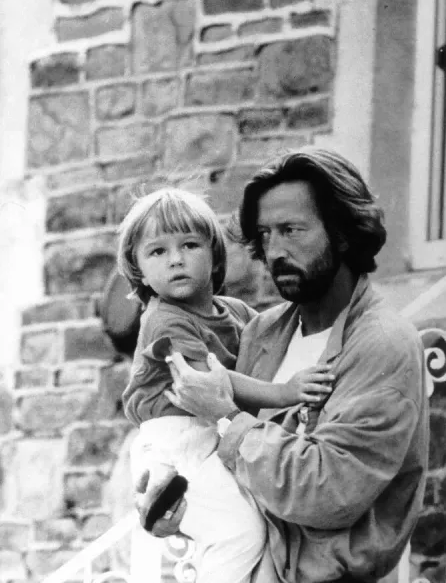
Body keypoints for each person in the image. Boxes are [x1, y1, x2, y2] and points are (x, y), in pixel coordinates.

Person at [139, 148, 430, 583]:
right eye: (265, 234)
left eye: (292, 230)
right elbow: (221, 462)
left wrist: (226, 417)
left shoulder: (383, 345)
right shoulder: (262, 331)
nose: (274, 251)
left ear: (343, 234)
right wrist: (168, 502)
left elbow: (326, 491)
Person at [116, 187, 334, 583]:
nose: (176, 259)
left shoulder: (232, 311)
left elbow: (274, 329)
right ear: (140, 271)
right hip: (177, 438)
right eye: (157, 252)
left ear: (216, 255)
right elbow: (212, 380)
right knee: (238, 532)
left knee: (258, 522)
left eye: (189, 245)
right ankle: (164, 488)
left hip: (210, 432)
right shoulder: (164, 318)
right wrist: (286, 392)